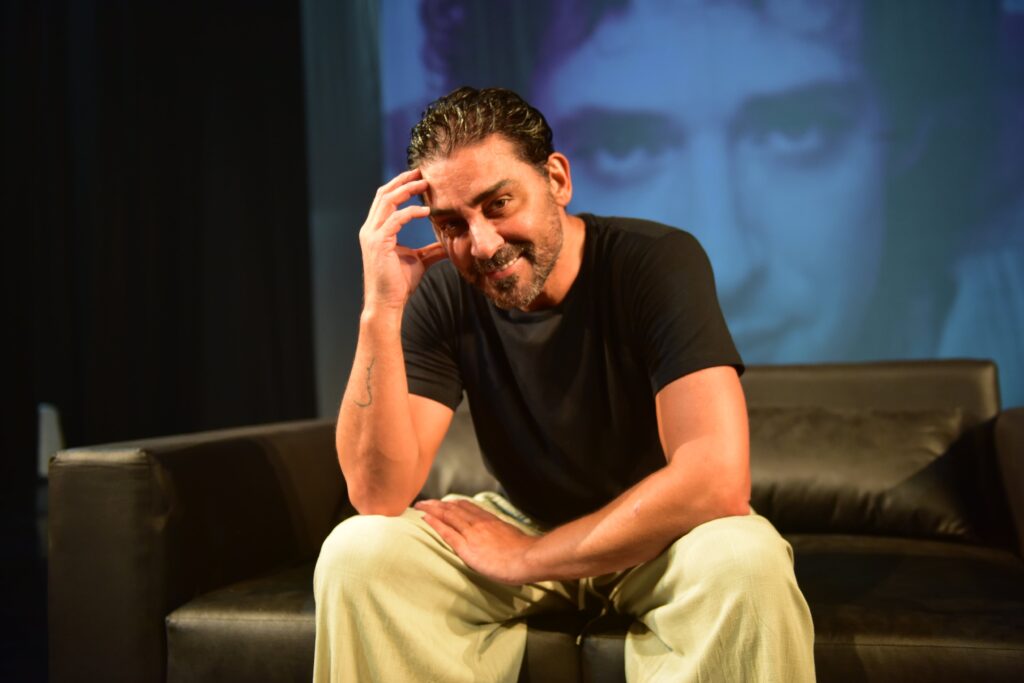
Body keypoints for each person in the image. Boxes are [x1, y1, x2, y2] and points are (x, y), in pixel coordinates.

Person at [313, 86, 815, 682]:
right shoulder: (443, 290)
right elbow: (376, 495)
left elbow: (715, 480)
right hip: (523, 519)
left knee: (746, 561)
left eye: (498, 203)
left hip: (664, 537)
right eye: (452, 224)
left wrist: (529, 557)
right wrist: (380, 310)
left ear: (556, 179)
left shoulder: (655, 261)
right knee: (358, 553)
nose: (482, 244)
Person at [398, 0, 1024, 407]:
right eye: (624, 146)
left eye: (796, 131)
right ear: (549, 177)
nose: (727, 264)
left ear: (916, 137)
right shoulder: (461, 319)